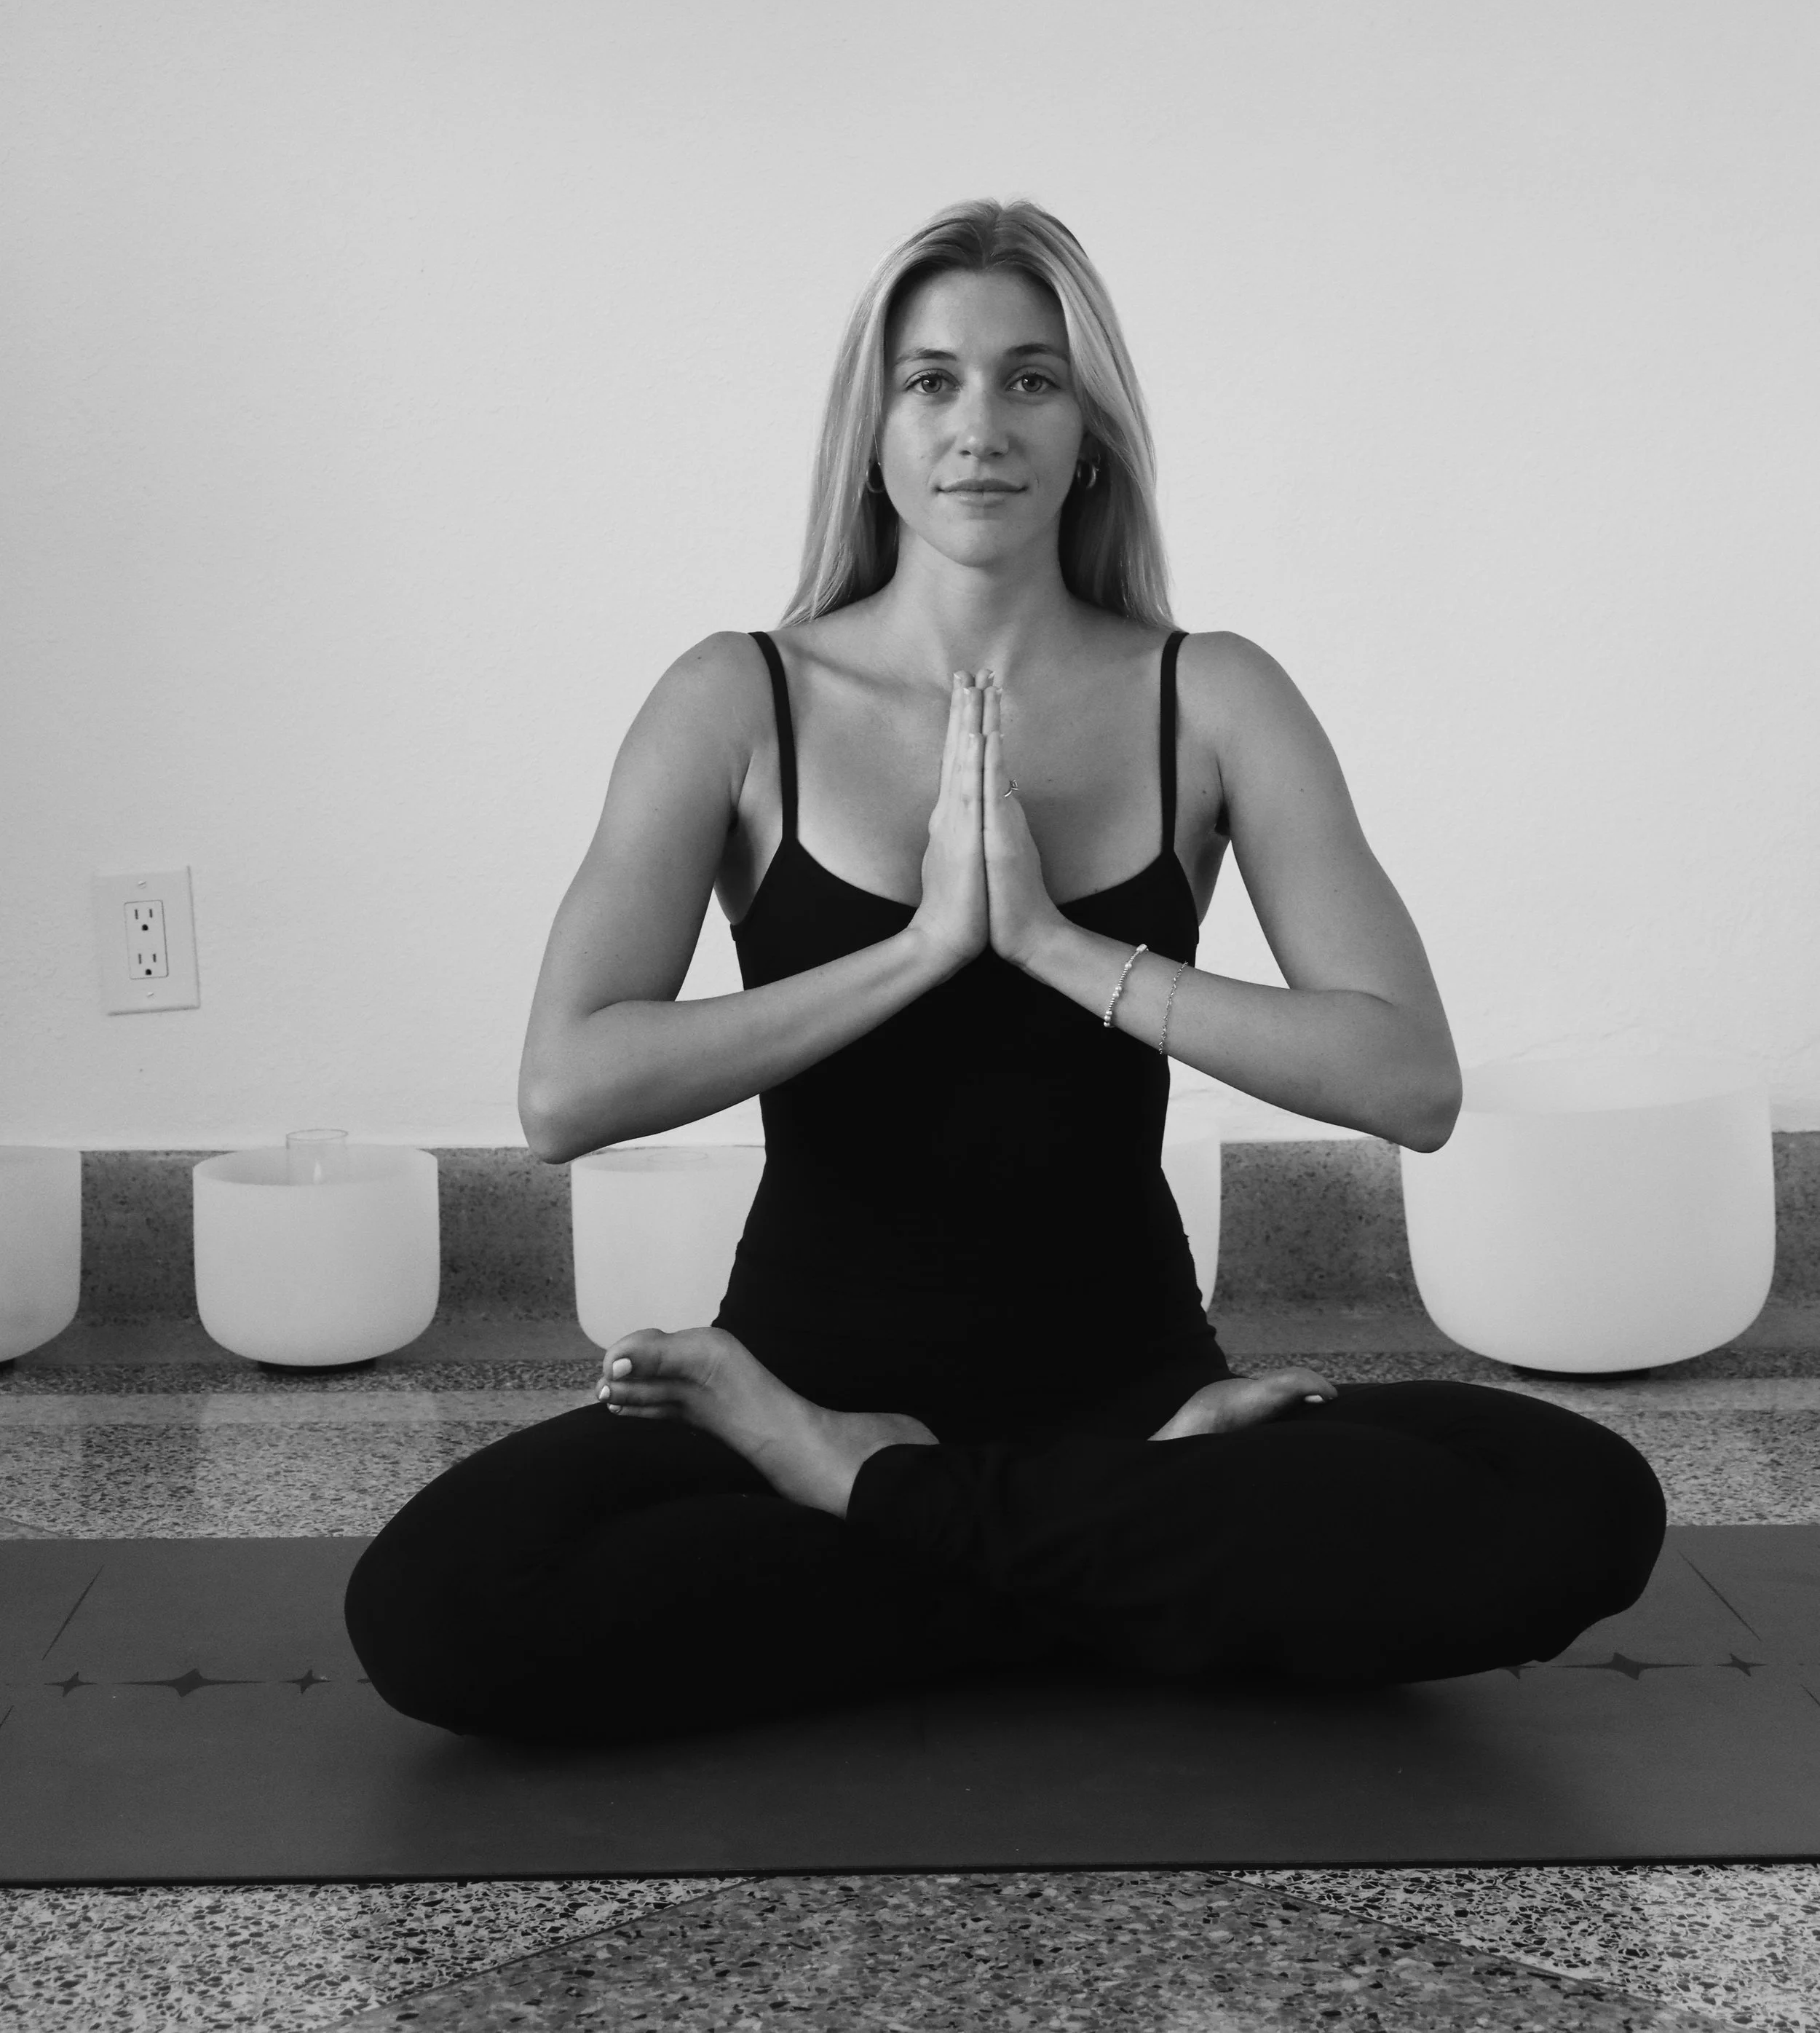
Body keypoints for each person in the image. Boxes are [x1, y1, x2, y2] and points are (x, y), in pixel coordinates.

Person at [344, 200, 1664, 1744]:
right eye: (932, 381)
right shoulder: (737, 699)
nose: (981, 424)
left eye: (1031, 379)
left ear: (1089, 428)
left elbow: (1408, 1082)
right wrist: (923, 948)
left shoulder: (1212, 696)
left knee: (1574, 1500)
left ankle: (881, 1500)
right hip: (802, 1385)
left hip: (1130, 1401)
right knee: (440, 1605)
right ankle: (1084, 1553)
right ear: (874, 430)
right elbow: (564, 1092)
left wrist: (1052, 943)